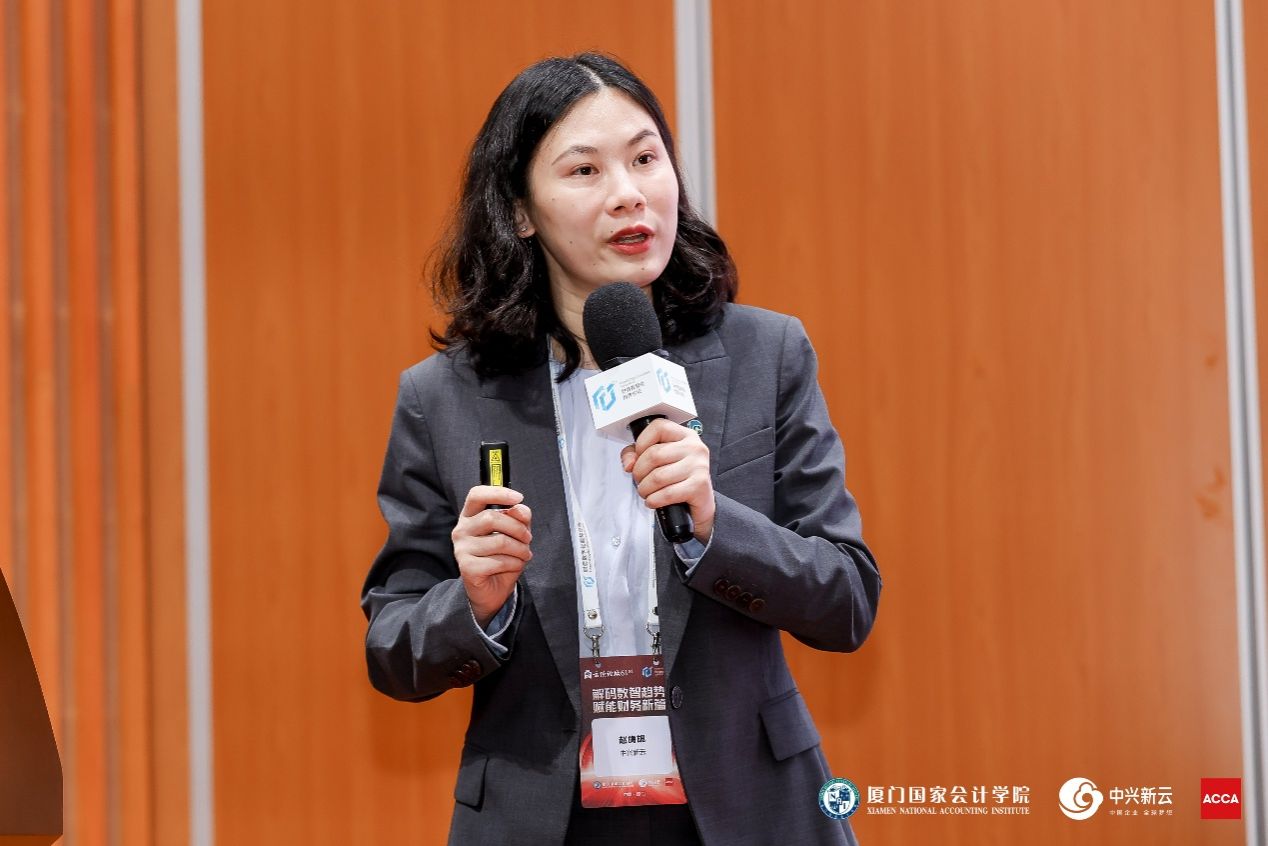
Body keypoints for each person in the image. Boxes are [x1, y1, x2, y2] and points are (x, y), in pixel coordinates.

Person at [361, 52, 881, 846]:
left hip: (746, 810)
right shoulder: (445, 398)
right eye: (585, 170)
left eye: (645, 159)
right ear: (520, 211)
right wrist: (473, 602)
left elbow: (847, 599)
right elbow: (393, 651)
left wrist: (716, 526)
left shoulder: (765, 355)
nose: (629, 193)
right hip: (543, 819)